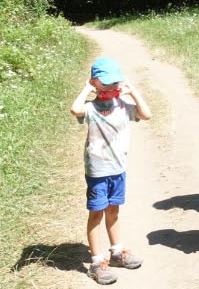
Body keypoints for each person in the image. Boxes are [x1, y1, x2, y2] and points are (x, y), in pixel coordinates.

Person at [70, 56, 152, 285]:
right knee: (96, 213)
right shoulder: (91, 107)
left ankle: (117, 252)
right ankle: (97, 261)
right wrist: (87, 88)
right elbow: (74, 109)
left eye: (115, 82)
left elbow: (147, 115)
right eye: (105, 83)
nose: (112, 87)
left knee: (113, 211)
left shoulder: (124, 107)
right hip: (97, 170)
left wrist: (133, 92)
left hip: (118, 169)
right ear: (94, 83)